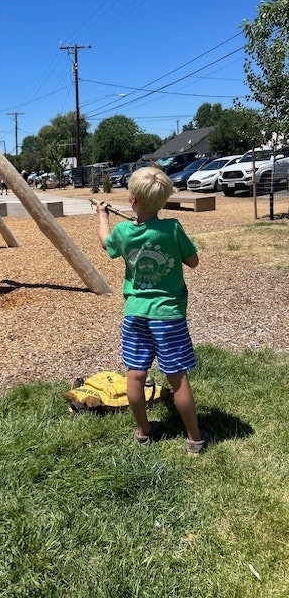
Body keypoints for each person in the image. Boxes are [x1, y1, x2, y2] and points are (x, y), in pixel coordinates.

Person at [96, 166, 211, 454]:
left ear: (132, 200)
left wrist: (102, 214)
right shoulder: (171, 228)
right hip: (168, 315)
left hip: (135, 313)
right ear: (163, 201)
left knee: (135, 374)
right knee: (177, 377)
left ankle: (143, 431)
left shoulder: (123, 232)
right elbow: (193, 261)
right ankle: (194, 438)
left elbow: (105, 245)